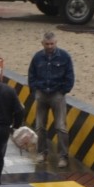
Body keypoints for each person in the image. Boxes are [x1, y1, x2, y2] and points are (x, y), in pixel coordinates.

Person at [28, 30, 75, 167]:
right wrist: (35, 90)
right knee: (40, 127)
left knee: (61, 127)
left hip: (57, 95)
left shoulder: (65, 57)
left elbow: (70, 76)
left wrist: (63, 91)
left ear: (56, 43)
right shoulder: (37, 58)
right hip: (42, 94)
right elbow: (31, 75)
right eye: (47, 44)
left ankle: (63, 157)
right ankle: (42, 153)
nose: (49, 46)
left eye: (52, 44)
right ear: (42, 43)